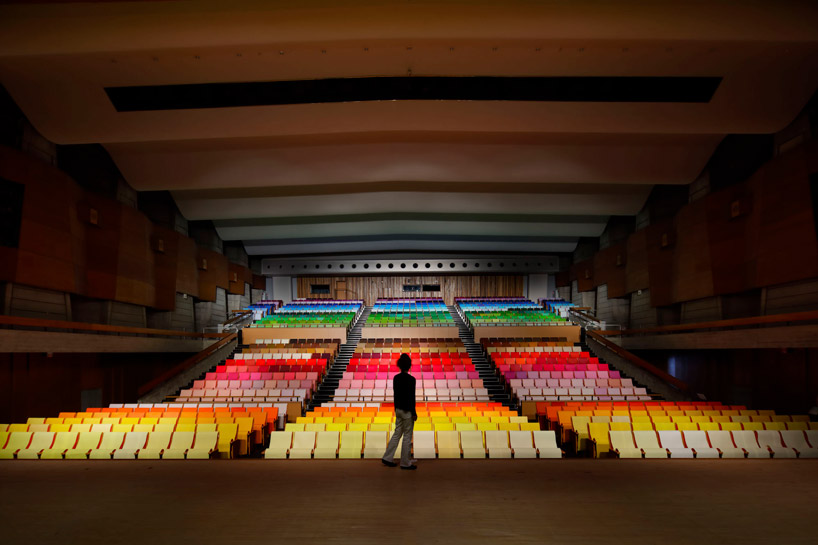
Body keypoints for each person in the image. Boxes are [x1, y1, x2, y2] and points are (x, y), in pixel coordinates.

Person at [381, 353, 418, 470]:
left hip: (398, 410)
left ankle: (387, 457)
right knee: (407, 436)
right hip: (407, 411)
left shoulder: (396, 378)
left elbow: (396, 396)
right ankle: (405, 462)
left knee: (397, 434)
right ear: (409, 366)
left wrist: (396, 409)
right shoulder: (412, 379)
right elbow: (411, 397)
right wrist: (414, 412)